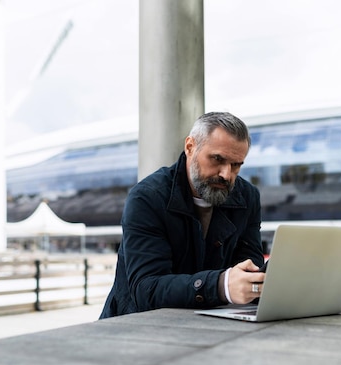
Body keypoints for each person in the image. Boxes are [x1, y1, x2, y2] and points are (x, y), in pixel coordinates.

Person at [99, 111, 266, 318]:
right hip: (135, 328)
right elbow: (146, 289)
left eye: (236, 165)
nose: (226, 174)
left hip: (210, 325)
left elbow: (250, 267)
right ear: (190, 147)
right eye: (217, 159)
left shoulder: (247, 197)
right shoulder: (147, 197)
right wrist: (220, 286)